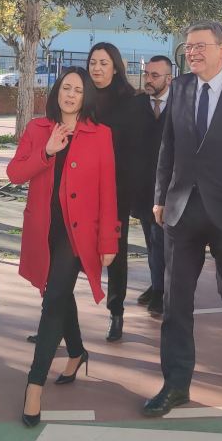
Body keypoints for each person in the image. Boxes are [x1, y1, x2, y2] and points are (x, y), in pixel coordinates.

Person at [144, 21, 222, 417]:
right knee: (175, 300)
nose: (192, 52)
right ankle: (176, 383)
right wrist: (160, 197)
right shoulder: (179, 88)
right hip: (182, 211)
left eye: (200, 46)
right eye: (188, 46)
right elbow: (168, 147)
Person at [7, 68, 119, 426]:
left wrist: (109, 240)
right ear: (57, 92)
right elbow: (14, 174)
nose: (70, 95)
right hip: (44, 230)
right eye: (66, 88)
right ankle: (77, 352)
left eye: (78, 90)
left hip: (76, 235)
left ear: (86, 98)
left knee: (54, 297)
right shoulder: (37, 129)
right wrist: (46, 151)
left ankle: (34, 385)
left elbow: (108, 191)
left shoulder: (100, 134)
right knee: (58, 294)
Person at [86, 42, 141, 341]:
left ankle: (116, 311)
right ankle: (55, 315)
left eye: (103, 63)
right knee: (67, 250)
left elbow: (134, 151)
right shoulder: (81, 95)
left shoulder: (131, 102)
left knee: (114, 251)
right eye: (93, 62)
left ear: (116, 67)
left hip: (115, 189)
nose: (97, 68)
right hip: (80, 186)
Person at [133, 55, 173, 318]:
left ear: (169, 79)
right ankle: (157, 284)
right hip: (143, 189)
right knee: (151, 240)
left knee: (162, 242)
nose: (148, 79)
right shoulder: (136, 105)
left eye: (155, 75)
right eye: (147, 74)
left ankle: (162, 291)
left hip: (170, 189)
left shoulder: (181, 105)